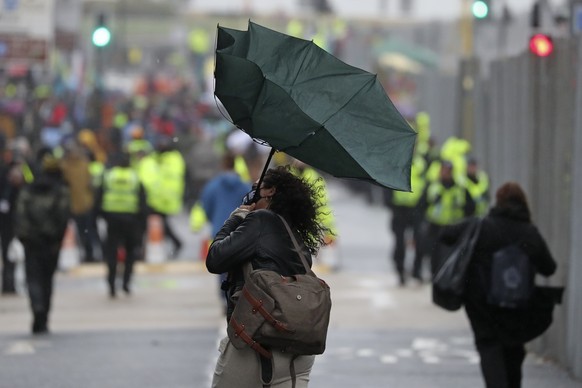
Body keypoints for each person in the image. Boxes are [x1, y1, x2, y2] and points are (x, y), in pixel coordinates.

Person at [206, 166, 328, 388]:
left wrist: (234, 219)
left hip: (255, 346)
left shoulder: (260, 220)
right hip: (297, 355)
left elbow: (215, 259)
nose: (252, 193)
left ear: (270, 192)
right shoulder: (296, 235)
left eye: (256, 188)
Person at [440, 182, 557, 388]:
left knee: (488, 347)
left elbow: (446, 235)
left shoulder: (482, 227)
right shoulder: (528, 232)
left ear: (498, 202)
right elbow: (549, 268)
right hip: (517, 307)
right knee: (513, 350)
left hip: (482, 306)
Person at [14, 155, 71, 334]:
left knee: (33, 279)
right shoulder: (60, 191)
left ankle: (37, 307)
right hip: (50, 242)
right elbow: (63, 217)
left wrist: (24, 237)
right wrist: (57, 239)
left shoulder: (28, 192)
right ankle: (44, 315)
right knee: (47, 280)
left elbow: (20, 215)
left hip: (32, 242)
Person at [95, 153, 147, 297]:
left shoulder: (109, 176)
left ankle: (111, 284)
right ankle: (126, 283)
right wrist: (142, 225)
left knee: (111, 253)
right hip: (131, 221)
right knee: (130, 253)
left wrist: (101, 217)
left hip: (112, 220)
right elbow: (142, 203)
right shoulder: (135, 177)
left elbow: (98, 199)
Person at [417, 161, 475, 279]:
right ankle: (435, 276)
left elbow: (471, 207)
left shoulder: (460, 188)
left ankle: (448, 277)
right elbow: (421, 205)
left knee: (451, 254)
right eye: (443, 170)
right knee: (435, 255)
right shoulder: (432, 187)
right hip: (435, 226)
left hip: (454, 227)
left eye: (448, 171)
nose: (445, 173)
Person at [384, 152, 427, 285]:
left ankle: (417, 271)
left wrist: (423, 204)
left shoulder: (421, 164)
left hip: (416, 209)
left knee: (420, 241)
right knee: (400, 243)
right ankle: (400, 271)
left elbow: (426, 184)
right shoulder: (396, 163)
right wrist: (390, 202)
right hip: (399, 209)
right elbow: (387, 182)